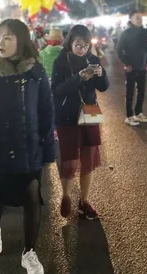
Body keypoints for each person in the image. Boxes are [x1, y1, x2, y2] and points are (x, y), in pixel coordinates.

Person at [0, 19, 54, 272]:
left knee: (32, 196)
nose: (0, 43)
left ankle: (29, 252)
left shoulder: (36, 72)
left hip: (29, 148)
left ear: (21, 39)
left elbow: (46, 112)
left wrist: (48, 147)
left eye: (7, 37)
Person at [52, 25, 108, 221]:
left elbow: (103, 87)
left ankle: (84, 201)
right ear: (70, 43)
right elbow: (56, 90)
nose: (82, 49)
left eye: (85, 46)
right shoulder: (61, 61)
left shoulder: (92, 59)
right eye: (78, 45)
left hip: (89, 113)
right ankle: (66, 195)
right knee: (69, 158)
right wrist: (78, 78)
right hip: (67, 116)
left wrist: (102, 74)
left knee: (89, 157)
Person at [117, 11, 147, 126]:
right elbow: (119, 50)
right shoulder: (125, 33)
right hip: (130, 67)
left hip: (142, 66)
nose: (139, 19)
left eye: (141, 17)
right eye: (137, 17)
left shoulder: (145, 32)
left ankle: (138, 112)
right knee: (130, 92)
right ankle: (129, 116)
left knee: (141, 91)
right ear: (131, 19)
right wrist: (126, 64)